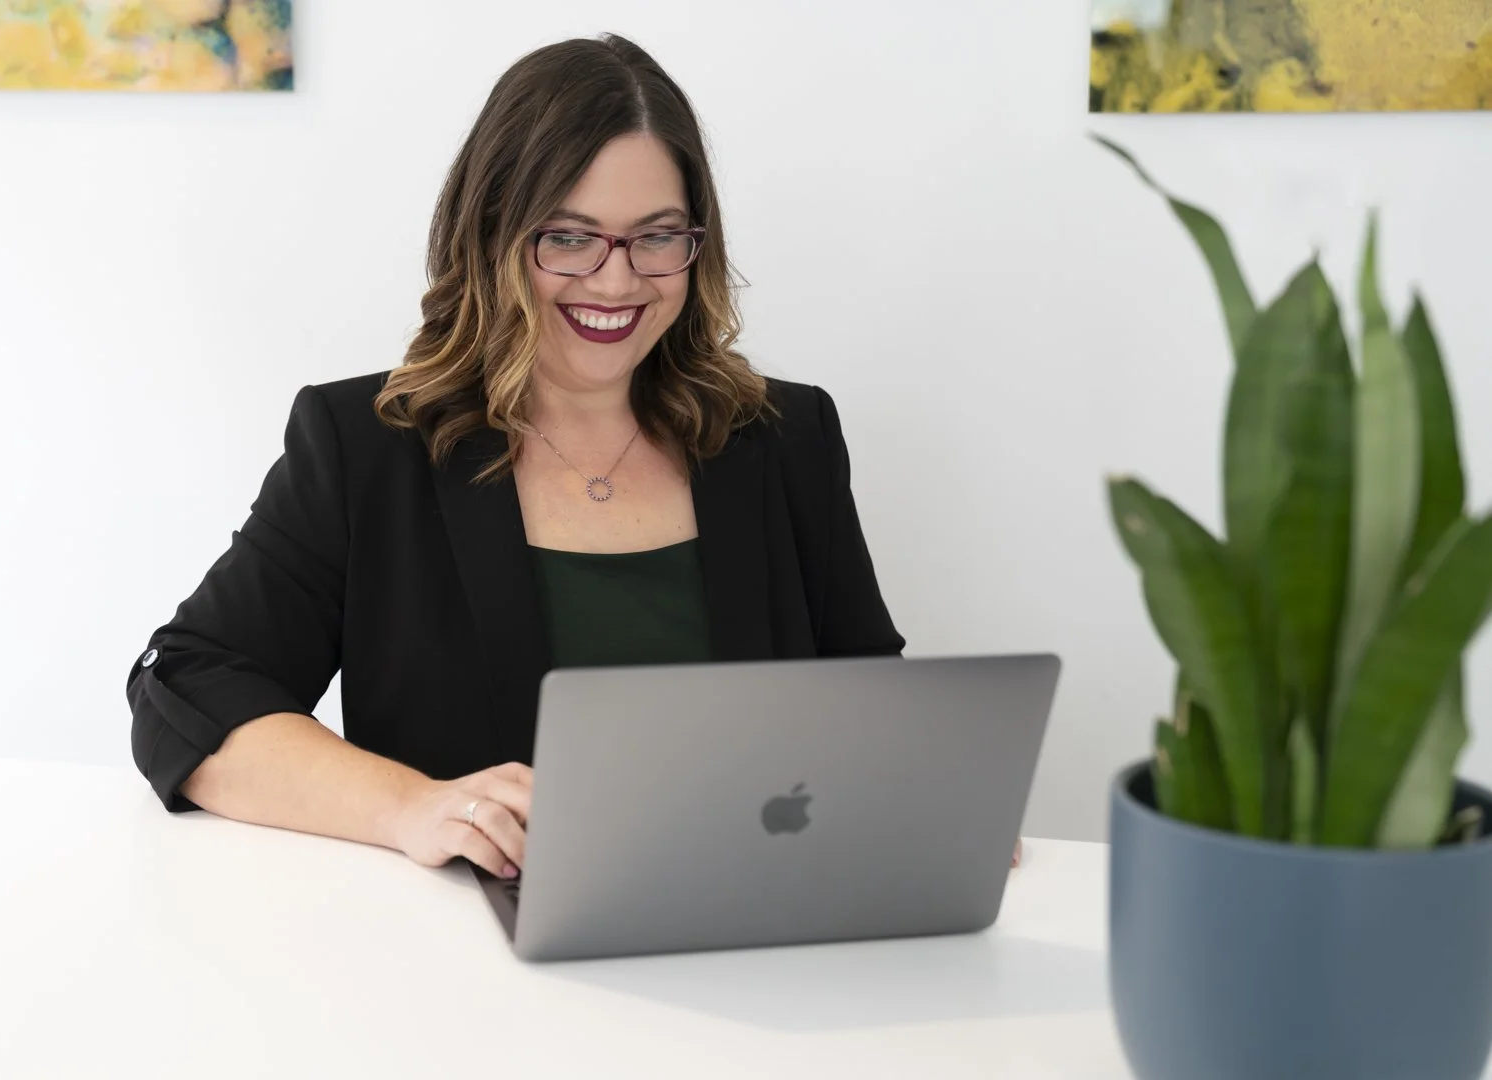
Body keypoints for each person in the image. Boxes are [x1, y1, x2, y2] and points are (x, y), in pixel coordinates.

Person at [128, 33, 1008, 880]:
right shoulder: (367, 444)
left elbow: (865, 707)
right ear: (491, 236)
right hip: (468, 969)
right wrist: (411, 807)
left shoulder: (787, 439)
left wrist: (924, 794)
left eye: (656, 236)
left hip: (753, 931)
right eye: (569, 237)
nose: (617, 281)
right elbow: (191, 688)